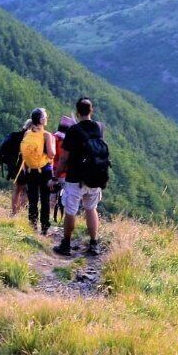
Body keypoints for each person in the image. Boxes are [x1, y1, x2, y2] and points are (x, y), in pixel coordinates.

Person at [54, 98, 109, 257]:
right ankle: (93, 244)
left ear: (77, 112)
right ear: (91, 110)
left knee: (71, 211)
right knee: (91, 209)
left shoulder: (72, 131)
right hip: (95, 176)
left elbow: (64, 157)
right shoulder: (99, 127)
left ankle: (66, 244)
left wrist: (56, 175)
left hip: (75, 177)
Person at [19, 108, 56, 235]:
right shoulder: (46, 135)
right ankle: (44, 228)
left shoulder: (27, 134)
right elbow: (51, 155)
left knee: (33, 199)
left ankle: (32, 225)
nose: (47, 118)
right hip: (44, 171)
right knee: (45, 199)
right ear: (41, 120)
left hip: (30, 170)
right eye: (45, 117)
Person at [0, 120, 32, 216]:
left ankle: (14, 212)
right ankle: (19, 211)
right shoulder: (30, 137)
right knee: (26, 190)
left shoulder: (14, 135)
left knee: (17, 189)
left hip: (14, 166)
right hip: (26, 165)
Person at [50, 115, 75, 223]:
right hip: (66, 174)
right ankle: (63, 219)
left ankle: (50, 216)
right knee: (66, 198)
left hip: (52, 171)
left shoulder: (52, 138)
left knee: (51, 196)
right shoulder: (70, 143)